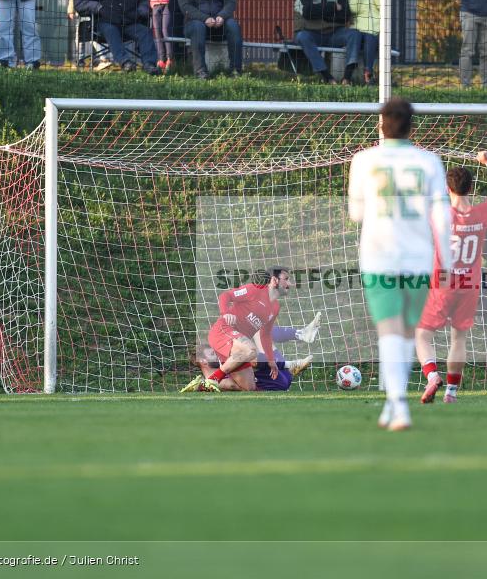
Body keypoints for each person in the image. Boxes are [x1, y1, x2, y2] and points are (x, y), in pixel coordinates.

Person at [348, 97, 451, 430]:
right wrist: (446, 260)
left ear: (381, 124)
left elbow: (356, 213)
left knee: (389, 330)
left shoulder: (363, 160)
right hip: (418, 256)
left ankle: (397, 405)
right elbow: (442, 216)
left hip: (378, 254)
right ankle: (396, 404)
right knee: (406, 333)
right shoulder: (430, 162)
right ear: (412, 125)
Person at [417, 152, 487, 404]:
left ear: (448, 188)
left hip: (443, 282)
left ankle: (433, 375)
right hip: (470, 283)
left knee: (423, 333)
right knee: (459, 337)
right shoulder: (483, 212)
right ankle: (451, 393)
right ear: (471, 188)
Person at [186, 267, 293, 392]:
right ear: (274, 280)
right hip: (223, 331)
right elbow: (225, 295)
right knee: (251, 350)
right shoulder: (254, 290)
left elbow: (265, 335)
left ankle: (203, 384)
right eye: (286, 279)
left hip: (237, 344)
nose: (290, 283)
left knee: (249, 387)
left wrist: (271, 360)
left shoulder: (275, 307)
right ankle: (212, 380)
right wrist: (225, 313)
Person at [187, 313, 322, 392]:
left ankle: (300, 336)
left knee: (259, 330)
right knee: (250, 354)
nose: (218, 354)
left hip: (278, 375)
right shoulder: (212, 381)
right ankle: (289, 362)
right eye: (212, 354)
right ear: (202, 361)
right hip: (274, 383)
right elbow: (236, 385)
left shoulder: (219, 371)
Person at [74, 0, 161, 74]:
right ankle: (125, 62)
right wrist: (98, 7)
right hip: (104, 22)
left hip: (128, 22)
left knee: (144, 31)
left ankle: (150, 64)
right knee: (110, 29)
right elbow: (79, 3)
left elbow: (144, 0)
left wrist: (140, 12)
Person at [293, 0, 362, 85]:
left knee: (355, 34)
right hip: (311, 33)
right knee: (302, 37)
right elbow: (307, 12)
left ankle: (347, 78)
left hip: (334, 33)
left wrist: (319, 12)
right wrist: (333, 7)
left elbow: (345, 15)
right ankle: (327, 77)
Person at [178, 0, 243, 79]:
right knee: (198, 26)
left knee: (233, 26)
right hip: (194, 24)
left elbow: (231, 1)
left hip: (219, 24)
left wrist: (222, 16)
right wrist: (204, 18)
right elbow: (185, 6)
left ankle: (235, 71)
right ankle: (201, 72)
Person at [348, 0, 378, 86]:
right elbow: (353, 9)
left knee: (370, 36)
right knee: (356, 36)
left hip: (374, 30)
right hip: (358, 30)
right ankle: (348, 77)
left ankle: (368, 73)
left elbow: (381, 5)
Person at [143, 0, 172, 72]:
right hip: (155, 5)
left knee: (165, 30)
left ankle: (170, 58)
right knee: (157, 31)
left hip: (167, 3)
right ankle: (161, 59)